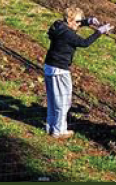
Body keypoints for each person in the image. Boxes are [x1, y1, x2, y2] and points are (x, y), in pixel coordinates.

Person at [43, 7, 112, 138]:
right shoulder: (68, 34)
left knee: (53, 100)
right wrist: (99, 32)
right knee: (64, 101)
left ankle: (50, 126)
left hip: (49, 66)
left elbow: (75, 23)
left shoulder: (58, 26)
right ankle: (59, 131)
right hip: (60, 70)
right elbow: (84, 43)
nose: (80, 24)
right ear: (70, 20)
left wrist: (89, 21)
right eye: (78, 21)